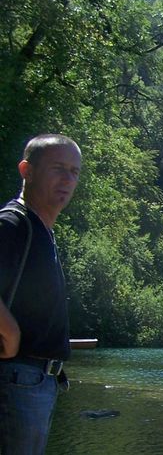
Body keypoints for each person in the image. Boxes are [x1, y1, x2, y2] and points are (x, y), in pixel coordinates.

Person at [0, 134, 81, 454]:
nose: (67, 179)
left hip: (34, 381)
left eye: (74, 172)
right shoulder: (14, 224)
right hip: (17, 379)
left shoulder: (40, 230)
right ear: (27, 171)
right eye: (58, 168)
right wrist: (11, 331)